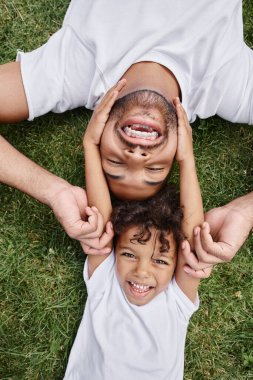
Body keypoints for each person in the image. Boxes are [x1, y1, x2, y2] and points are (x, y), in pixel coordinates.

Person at [0, 0, 252, 263]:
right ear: (179, 148)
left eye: (115, 162)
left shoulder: (71, 73)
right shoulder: (224, 84)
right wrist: (245, 210)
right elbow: (192, 238)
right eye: (154, 169)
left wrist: (52, 191)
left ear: (97, 139)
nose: (136, 156)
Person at [63, 96, 212, 380]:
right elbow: (101, 220)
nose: (142, 271)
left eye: (160, 260)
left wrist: (186, 157)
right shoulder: (106, 281)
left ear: (177, 262)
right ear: (114, 251)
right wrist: (89, 145)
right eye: (129, 254)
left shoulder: (175, 301)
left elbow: (193, 239)